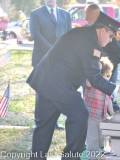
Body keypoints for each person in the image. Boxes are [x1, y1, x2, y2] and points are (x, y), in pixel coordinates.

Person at [26, 11, 120, 160]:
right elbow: (95, 77)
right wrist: (119, 88)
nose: (111, 40)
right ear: (102, 30)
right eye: (111, 36)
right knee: (79, 114)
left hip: (45, 81)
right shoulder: (91, 43)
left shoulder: (83, 34)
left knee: (44, 125)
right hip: (58, 85)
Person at [30, 0, 72, 130]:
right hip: (42, 58)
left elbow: (70, 36)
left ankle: (54, 121)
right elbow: (36, 35)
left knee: (55, 90)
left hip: (60, 60)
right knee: (42, 90)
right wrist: (53, 51)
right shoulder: (35, 14)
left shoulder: (66, 15)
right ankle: (40, 121)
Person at [85, 3, 120, 112]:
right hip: (90, 72)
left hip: (106, 72)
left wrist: (102, 65)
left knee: (108, 103)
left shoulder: (111, 30)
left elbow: (119, 55)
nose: (86, 19)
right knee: (90, 104)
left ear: (98, 15)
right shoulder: (85, 29)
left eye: (88, 16)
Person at [85, 57, 115, 160]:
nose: (109, 78)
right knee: (92, 140)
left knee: (102, 139)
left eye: (110, 75)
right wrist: (96, 70)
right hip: (91, 117)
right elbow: (89, 81)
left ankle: (99, 155)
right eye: (107, 75)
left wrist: (113, 114)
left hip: (103, 117)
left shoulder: (107, 87)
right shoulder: (92, 84)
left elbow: (109, 101)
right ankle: (92, 158)